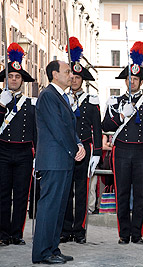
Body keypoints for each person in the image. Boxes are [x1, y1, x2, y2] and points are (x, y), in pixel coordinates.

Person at [102, 41, 143, 245]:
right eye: (130, 79)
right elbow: (105, 124)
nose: (132, 82)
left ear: (141, 82)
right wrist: (120, 115)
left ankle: (137, 233)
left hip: (142, 151)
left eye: (136, 79)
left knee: (141, 195)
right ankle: (123, 233)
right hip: (122, 151)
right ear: (125, 81)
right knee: (122, 193)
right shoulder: (115, 101)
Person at [32, 60, 86, 264]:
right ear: (55, 74)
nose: (71, 75)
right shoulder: (48, 96)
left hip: (63, 160)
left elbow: (69, 127)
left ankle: (53, 248)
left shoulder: (60, 97)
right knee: (49, 208)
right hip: (54, 161)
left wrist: (79, 144)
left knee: (59, 208)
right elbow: (57, 128)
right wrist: (74, 150)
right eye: (67, 71)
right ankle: (42, 253)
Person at [60, 37, 102, 244]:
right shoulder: (62, 99)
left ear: (83, 80)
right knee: (66, 191)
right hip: (66, 149)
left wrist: (97, 153)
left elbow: (97, 128)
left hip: (84, 148)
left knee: (82, 191)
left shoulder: (91, 100)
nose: (74, 80)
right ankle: (66, 229)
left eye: (77, 77)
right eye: (71, 76)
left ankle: (79, 231)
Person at [0, 43, 36, 246]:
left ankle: (17, 234)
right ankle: (3, 234)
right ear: (6, 79)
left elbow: (36, 130)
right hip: (3, 151)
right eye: (11, 76)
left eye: (17, 77)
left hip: (24, 153)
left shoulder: (31, 103)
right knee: (3, 194)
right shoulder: (0, 99)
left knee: (22, 195)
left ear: (23, 81)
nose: (14, 79)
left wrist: (37, 154)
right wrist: (1, 105)